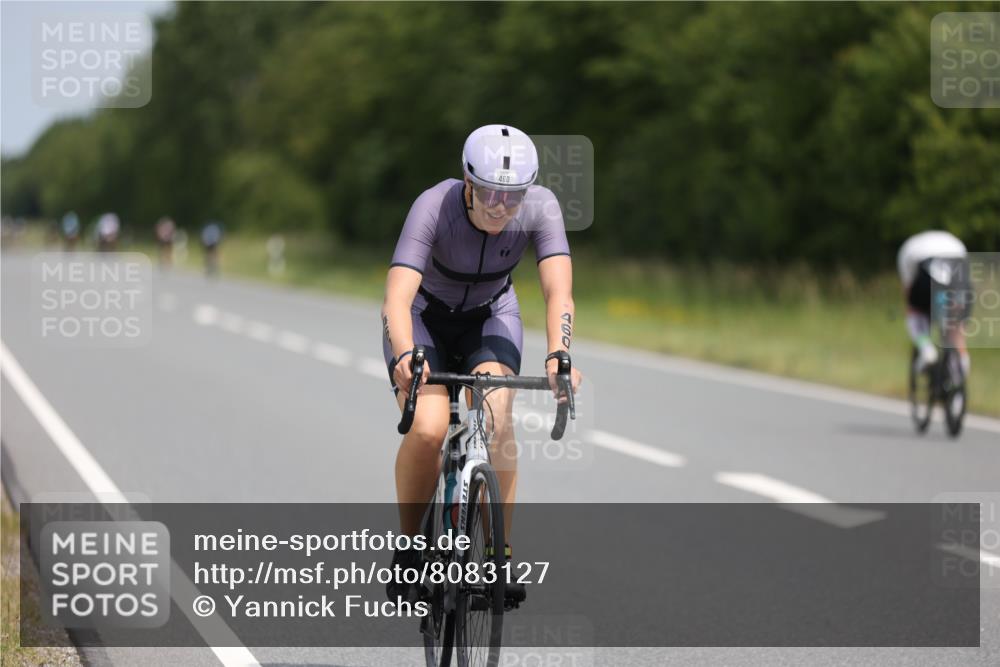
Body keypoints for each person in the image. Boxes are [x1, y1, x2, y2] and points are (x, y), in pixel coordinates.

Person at [381, 125, 582, 603]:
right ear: (467, 183)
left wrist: (560, 352)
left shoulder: (542, 207)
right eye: (490, 192)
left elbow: (559, 292)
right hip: (422, 318)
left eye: (513, 197)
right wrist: (406, 354)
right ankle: (410, 550)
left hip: (492, 316)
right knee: (429, 428)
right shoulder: (433, 206)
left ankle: (498, 557)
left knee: (496, 419)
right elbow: (397, 296)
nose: (500, 206)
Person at [896, 230, 971, 376]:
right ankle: (963, 359)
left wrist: (911, 308)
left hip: (926, 278)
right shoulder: (955, 242)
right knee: (956, 324)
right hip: (958, 279)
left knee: (915, 313)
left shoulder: (908, 248)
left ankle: (926, 349)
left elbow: (908, 288)